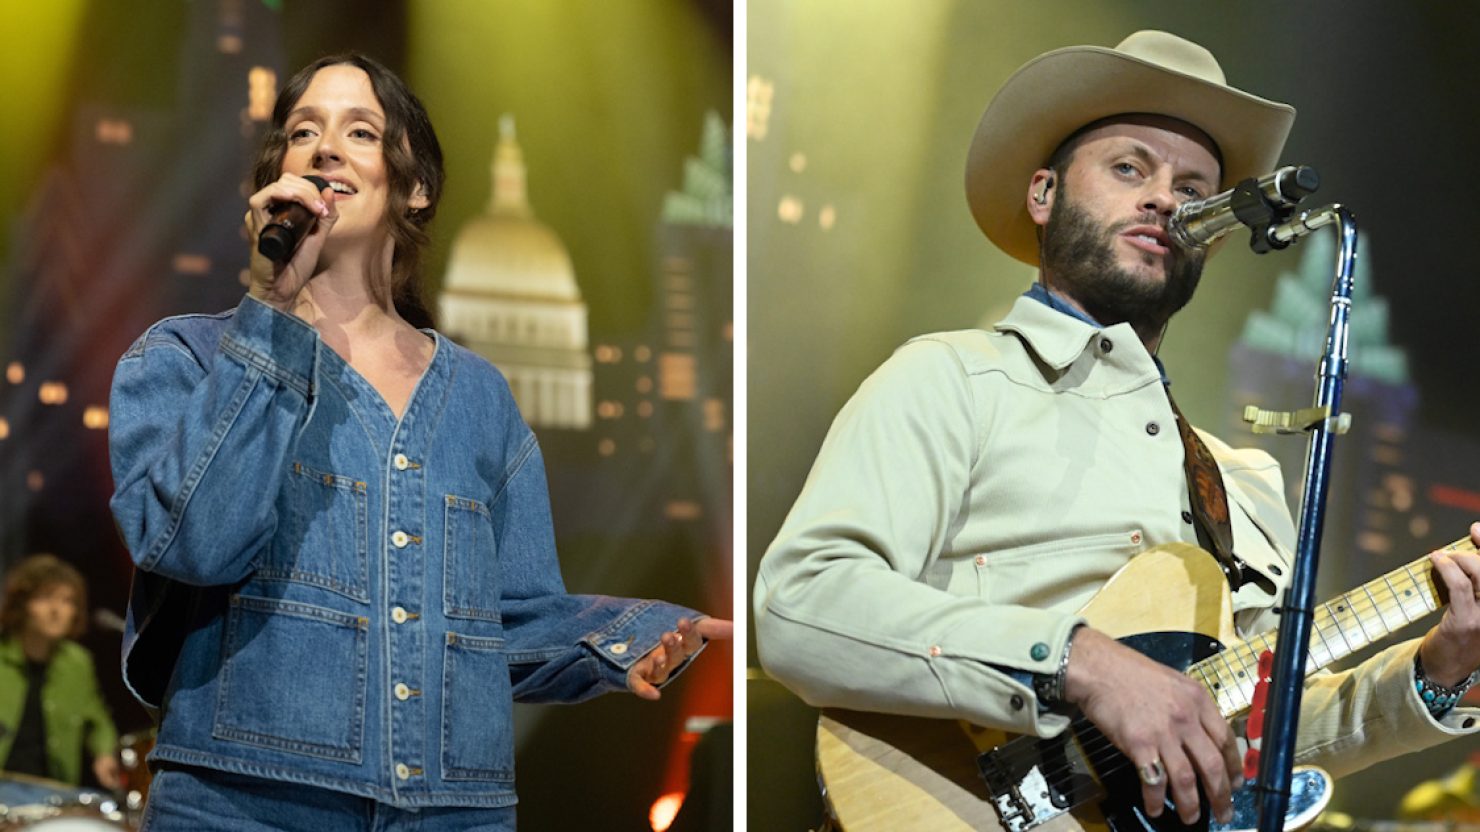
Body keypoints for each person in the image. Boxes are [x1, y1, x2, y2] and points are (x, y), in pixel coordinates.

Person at [753, 30, 1480, 830]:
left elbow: (1264, 733)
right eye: (1130, 168)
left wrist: (1433, 672)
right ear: (1044, 194)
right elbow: (800, 603)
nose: (1166, 199)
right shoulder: (949, 379)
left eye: (1194, 185)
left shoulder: (1238, 479)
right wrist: (1080, 661)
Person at [107, 53, 728, 831]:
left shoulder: (479, 397)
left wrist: (624, 640)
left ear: (416, 185)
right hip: (250, 803)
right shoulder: (183, 360)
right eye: (303, 132)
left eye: (358, 131)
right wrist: (274, 308)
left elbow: (503, 621)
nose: (325, 148)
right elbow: (197, 542)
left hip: (453, 812)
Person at [0, 554, 120, 790]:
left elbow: (98, 720)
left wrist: (104, 753)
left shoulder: (78, 663)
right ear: (22, 604)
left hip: (54, 794)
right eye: (45, 598)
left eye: (67, 601)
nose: (57, 610)